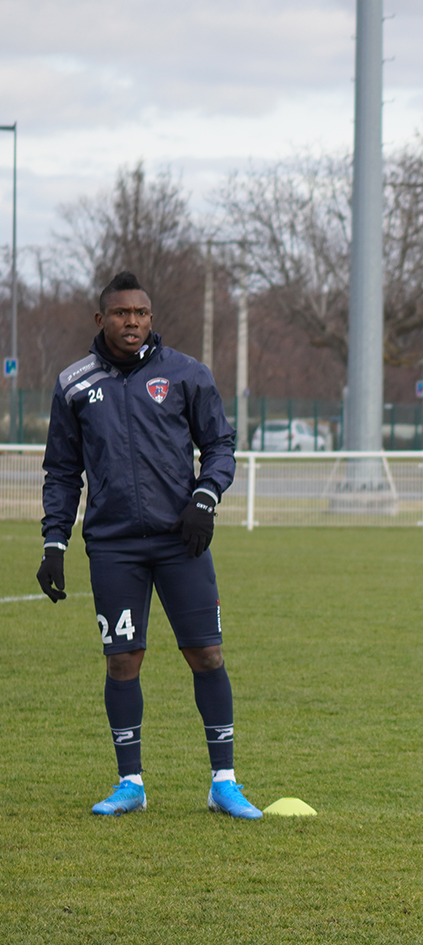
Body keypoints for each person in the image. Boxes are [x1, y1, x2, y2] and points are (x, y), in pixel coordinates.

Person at [38, 271, 260, 820]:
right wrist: (54, 543)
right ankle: (130, 783)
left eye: (139, 313)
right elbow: (62, 472)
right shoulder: (73, 385)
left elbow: (220, 445)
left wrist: (205, 498)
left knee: (205, 654)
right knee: (122, 662)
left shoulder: (186, 374)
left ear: (150, 318)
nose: (130, 321)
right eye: (120, 313)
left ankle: (224, 783)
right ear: (101, 319)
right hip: (113, 547)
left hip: (179, 541)